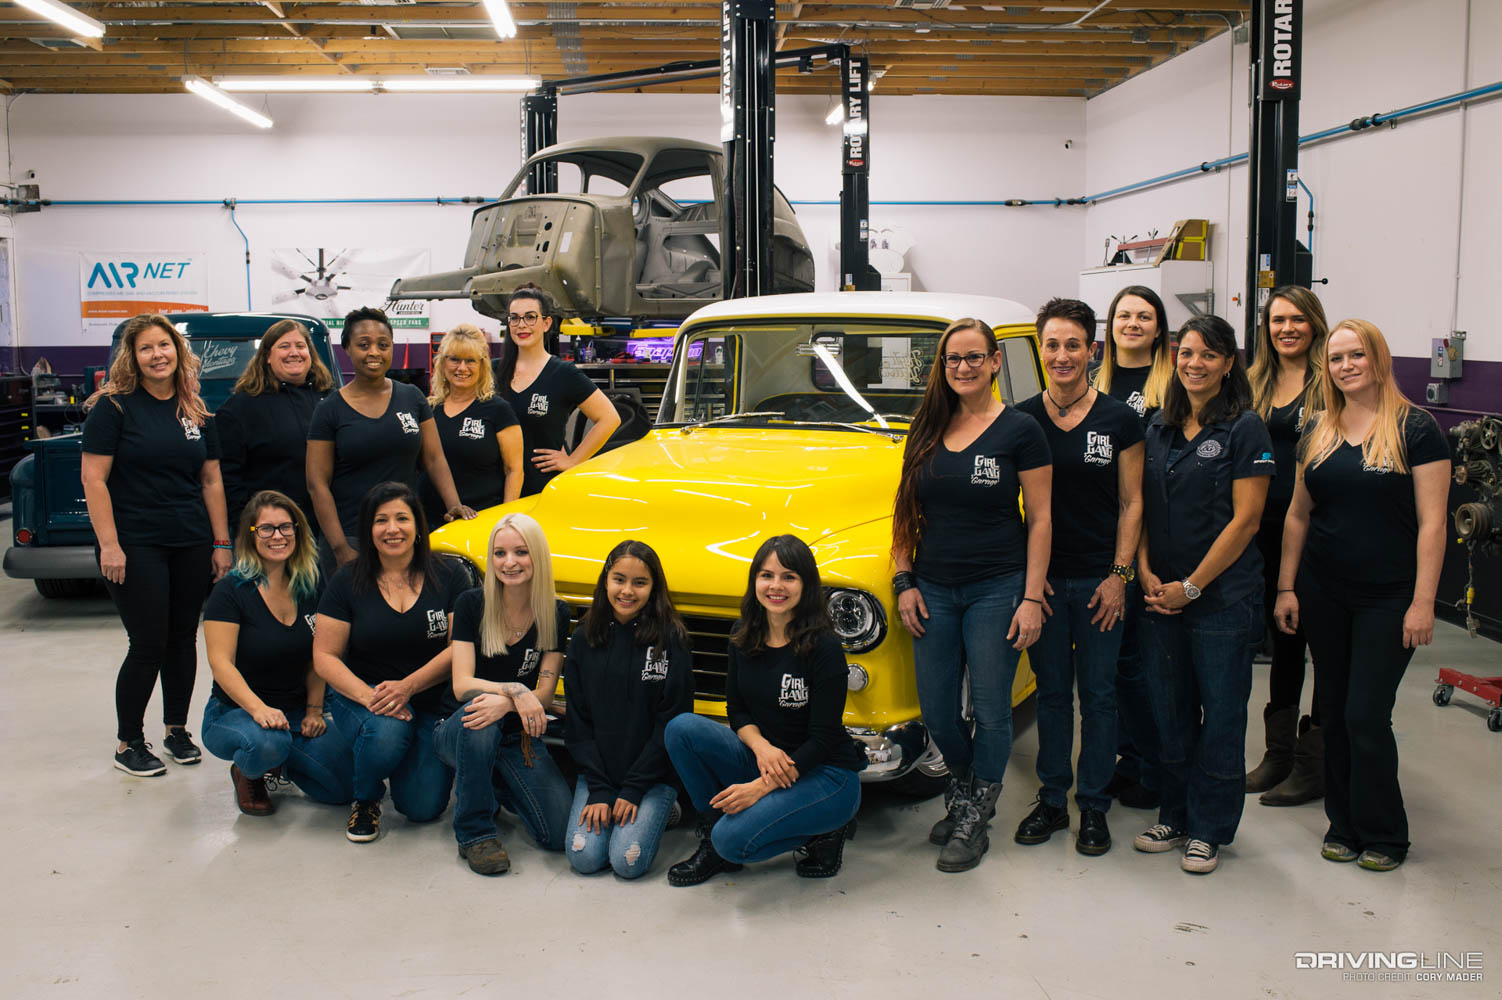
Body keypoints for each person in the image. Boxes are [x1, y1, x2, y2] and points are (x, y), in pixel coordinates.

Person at [1274, 320, 1448, 873]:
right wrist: (1286, 585)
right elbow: (1298, 515)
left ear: (1378, 358)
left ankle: (1385, 833)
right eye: (1337, 358)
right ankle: (1343, 823)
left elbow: (1434, 523)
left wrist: (1423, 602)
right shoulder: (1318, 430)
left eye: (1356, 355)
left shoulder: (1416, 429)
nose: (1346, 366)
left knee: (1366, 715)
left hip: (1388, 597)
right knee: (1333, 712)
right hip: (1324, 593)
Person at [891, 317, 1052, 873]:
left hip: (998, 586)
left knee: (990, 706)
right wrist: (903, 578)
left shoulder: (1021, 430)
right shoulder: (927, 424)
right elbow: (905, 512)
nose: (963, 367)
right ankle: (964, 795)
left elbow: (1041, 519)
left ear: (994, 362)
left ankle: (974, 816)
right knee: (937, 709)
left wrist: (1032, 598)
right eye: (953, 359)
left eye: (974, 357)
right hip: (932, 586)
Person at [1134, 315, 1274, 875]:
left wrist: (1192, 587)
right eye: (1186, 353)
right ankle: (1175, 812)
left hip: (1220, 601)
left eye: (1208, 355)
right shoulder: (1158, 427)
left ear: (1228, 364)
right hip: (1159, 596)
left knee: (1219, 715)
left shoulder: (1245, 429)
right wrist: (1142, 570)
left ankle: (1210, 828)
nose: (1194, 364)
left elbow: (1246, 521)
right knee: (1169, 713)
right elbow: (1139, 506)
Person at [1014, 298, 1143, 856]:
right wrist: (1028, 582)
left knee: (1099, 694)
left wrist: (1120, 576)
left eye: (1073, 345)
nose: (1062, 356)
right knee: (1050, 695)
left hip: (1098, 583)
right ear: (1038, 350)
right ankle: (1051, 799)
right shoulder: (1021, 419)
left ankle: (1092, 804)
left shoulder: (1119, 419)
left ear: (1091, 350)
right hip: (1043, 585)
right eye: (1052, 345)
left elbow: (1133, 503)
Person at [81, 313, 234, 777]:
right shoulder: (116, 407)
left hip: (189, 540)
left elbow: (211, 480)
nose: (157, 355)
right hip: (135, 543)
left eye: (163, 346)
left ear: (177, 352)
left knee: (181, 639)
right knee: (147, 642)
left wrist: (221, 541)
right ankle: (129, 742)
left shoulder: (194, 409)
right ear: (133, 356)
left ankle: (175, 730)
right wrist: (110, 545)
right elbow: (94, 478)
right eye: (146, 348)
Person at [665, 535, 866, 885]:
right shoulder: (743, 634)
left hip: (825, 773)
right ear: (754, 580)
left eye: (789, 576)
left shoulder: (825, 648)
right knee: (681, 729)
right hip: (769, 758)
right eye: (766, 575)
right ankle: (712, 841)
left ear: (807, 584)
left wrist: (759, 788)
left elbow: (822, 740)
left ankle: (827, 830)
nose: (776, 586)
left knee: (733, 840)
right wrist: (762, 748)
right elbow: (737, 711)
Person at [313, 482, 467, 842]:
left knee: (422, 808)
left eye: (402, 518)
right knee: (387, 731)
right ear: (368, 529)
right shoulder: (346, 581)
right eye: (381, 520)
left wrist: (408, 687)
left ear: (418, 527)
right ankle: (365, 798)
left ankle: (384, 752)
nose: (392, 528)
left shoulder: (448, 574)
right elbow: (324, 656)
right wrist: (373, 699)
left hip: (428, 702)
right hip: (365, 695)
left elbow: (459, 647)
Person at [434, 512, 573, 875]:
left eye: (521, 552)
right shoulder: (471, 604)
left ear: (537, 557)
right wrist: (512, 692)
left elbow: (542, 695)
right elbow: (462, 684)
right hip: (460, 726)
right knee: (483, 716)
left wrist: (510, 703)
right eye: (499, 553)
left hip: (517, 734)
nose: (509, 563)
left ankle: (490, 780)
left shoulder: (555, 612)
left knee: (558, 834)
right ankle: (474, 833)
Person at [201, 490, 351, 814]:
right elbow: (220, 663)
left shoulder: (311, 585)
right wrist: (258, 710)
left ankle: (284, 762)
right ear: (250, 535)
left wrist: (313, 710)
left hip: (296, 712)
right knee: (267, 743)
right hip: (236, 712)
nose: (278, 536)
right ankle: (249, 770)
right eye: (266, 528)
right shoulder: (230, 591)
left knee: (345, 786)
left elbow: (318, 657)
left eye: (286, 527)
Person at [306, 306, 475, 570]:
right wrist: (340, 547)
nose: (374, 352)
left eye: (382, 344)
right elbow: (317, 484)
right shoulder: (329, 409)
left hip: (405, 533)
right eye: (364, 344)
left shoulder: (412, 397)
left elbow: (433, 458)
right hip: (352, 537)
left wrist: (454, 504)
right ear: (347, 349)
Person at [1244, 286, 1330, 806]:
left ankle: (1314, 760)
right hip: (1262, 531)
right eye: (1277, 320)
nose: (1287, 329)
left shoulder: (1331, 384)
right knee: (1284, 640)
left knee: (1320, 640)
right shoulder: (1253, 382)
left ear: (1315, 324)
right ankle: (1278, 755)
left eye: (1297, 319)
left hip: (1317, 531)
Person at [562, 540, 693, 879]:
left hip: (651, 777)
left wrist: (634, 788)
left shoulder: (671, 638)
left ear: (654, 587)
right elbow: (577, 723)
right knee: (584, 858)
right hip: (599, 774)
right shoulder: (583, 637)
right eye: (619, 579)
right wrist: (600, 790)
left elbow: (672, 721)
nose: (627, 591)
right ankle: (615, 801)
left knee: (627, 862)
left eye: (640, 582)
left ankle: (669, 809)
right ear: (605, 580)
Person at [1093, 284, 1174, 812]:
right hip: (1101, 528)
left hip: (1151, 529)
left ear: (1159, 327)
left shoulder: (1169, 384)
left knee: (1144, 661)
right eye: (1124, 315)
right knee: (1114, 658)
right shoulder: (1095, 379)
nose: (1133, 324)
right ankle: (1125, 759)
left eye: (1145, 316)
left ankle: (1154, 765)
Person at [495, 285, 621, 497]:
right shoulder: (493, 370)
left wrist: (573, 460)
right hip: (496, 488)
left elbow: (609, 418)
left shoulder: (563, 373)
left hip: (541, 489)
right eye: (514, 318)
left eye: (530, 317)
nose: (521, 325)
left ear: (546, 323)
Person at [216, 319, 336, 532]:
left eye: (301, 346)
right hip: (272, 533)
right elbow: (228, 478)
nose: (294, 352)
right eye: (284, 346)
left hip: (327, 529)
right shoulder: (240, 408)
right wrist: (248, 528)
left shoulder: (331, 400)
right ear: (267, 357)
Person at [421, 324, 523, 526]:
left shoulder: (497, 410)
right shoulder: (427, 409)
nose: (462, 368)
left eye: (470, 361)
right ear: (442, 363)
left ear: (482, 366)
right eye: (454, 360)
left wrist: (505, 520)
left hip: (480, 520)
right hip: (429, 521)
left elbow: (514, 470)